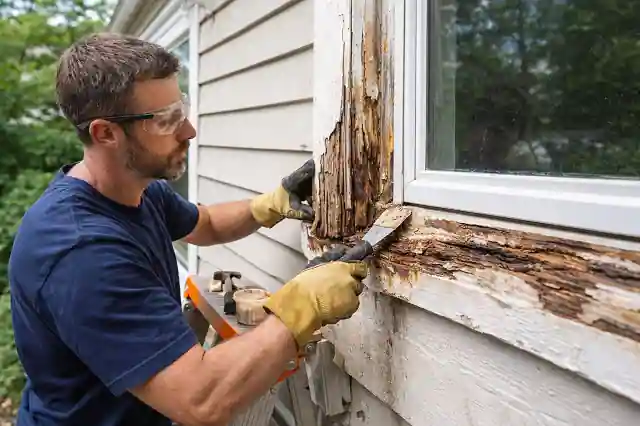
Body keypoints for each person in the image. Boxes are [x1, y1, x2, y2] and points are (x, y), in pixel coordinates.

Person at [8, 33, 368, 426]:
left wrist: (270, 204)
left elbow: (207, 223)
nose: (189, 131)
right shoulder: (81, 254)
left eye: (182, 109)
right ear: (105, 133)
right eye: (166, 120)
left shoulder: (138, 192)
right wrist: (303, 306)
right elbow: (200, 401)